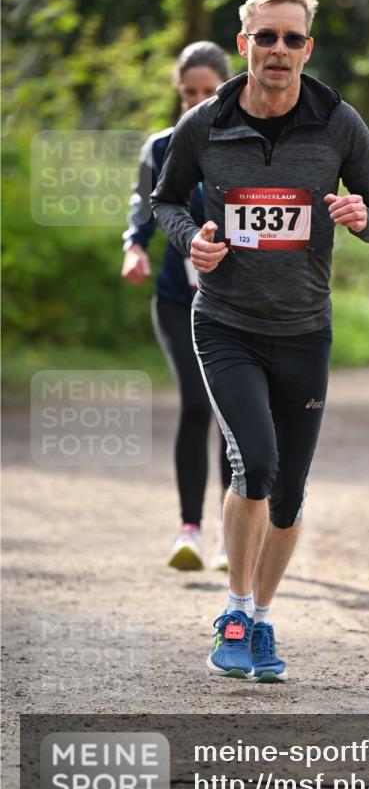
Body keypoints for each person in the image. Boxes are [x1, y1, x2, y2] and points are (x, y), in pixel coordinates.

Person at [151, 0, 369, 681]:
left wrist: (362, 220)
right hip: (225, 321)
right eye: (267, 37)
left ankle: (260, 620)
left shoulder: (338, 123)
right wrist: (188, 240)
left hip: (304, 329)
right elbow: (166, 199)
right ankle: (230, 611)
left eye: (292, 38)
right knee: (253, 463)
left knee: (289, 490)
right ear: (245, 43)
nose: (279, 50)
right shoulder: (205, 123)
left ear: (307, 47)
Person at [121, 41, 233, 572]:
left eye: (209, 92)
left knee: (236, 412)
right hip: (177, 299)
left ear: (228, 88)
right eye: (189, 92)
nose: (198, 100)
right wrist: (134, 246)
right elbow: (144, 206)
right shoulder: (163, 146)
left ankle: (232, 532)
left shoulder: (247, 144)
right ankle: (189, 530)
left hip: (237, 301)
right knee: (196, 403)